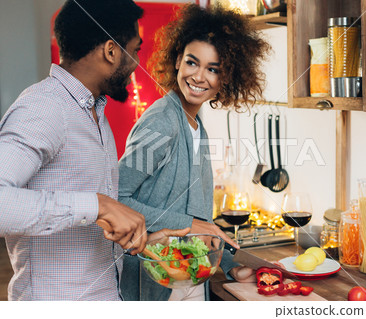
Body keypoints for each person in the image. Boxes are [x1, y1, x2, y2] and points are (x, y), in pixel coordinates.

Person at [0, 0, 180, 301]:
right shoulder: (44, 107)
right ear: (111, 51)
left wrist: (142, 238)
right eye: (135, 50)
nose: (137, 62)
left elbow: (87, 217)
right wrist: (99, 205)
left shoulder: (92, 110)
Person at [118, 4, 271, 301]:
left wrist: (231, 266)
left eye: (212, 69)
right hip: (155, 281)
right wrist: (189, 225)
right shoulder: (163, 121)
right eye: (192, 63)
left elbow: (199, 225)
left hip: (189, 280)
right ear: (177, 61)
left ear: (224, 78)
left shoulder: (195, 123)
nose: (199, 77)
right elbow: (117, 197)